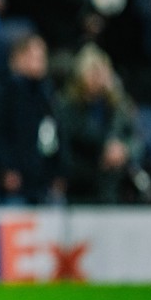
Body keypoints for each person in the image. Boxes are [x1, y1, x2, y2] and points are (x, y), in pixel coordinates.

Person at [56, 43, 144, 204]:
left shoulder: (119, 106)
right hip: (81, 183)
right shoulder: (67, 105)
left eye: (104, 71)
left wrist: (124, 150)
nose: (100, 77)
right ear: (81, 74)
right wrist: (106, 147)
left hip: (115, 182)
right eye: (94, 71)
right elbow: (71, 141)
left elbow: (137, 140)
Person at [0, 34, 66, 205]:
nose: (42, 62)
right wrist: (7, 168)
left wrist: (57, 171)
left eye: (43, 57)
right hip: (17, 178)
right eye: (36, 57)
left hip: (42, 178)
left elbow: (54, 132)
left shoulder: (46, 93)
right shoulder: (5, 90)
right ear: (19, 58)